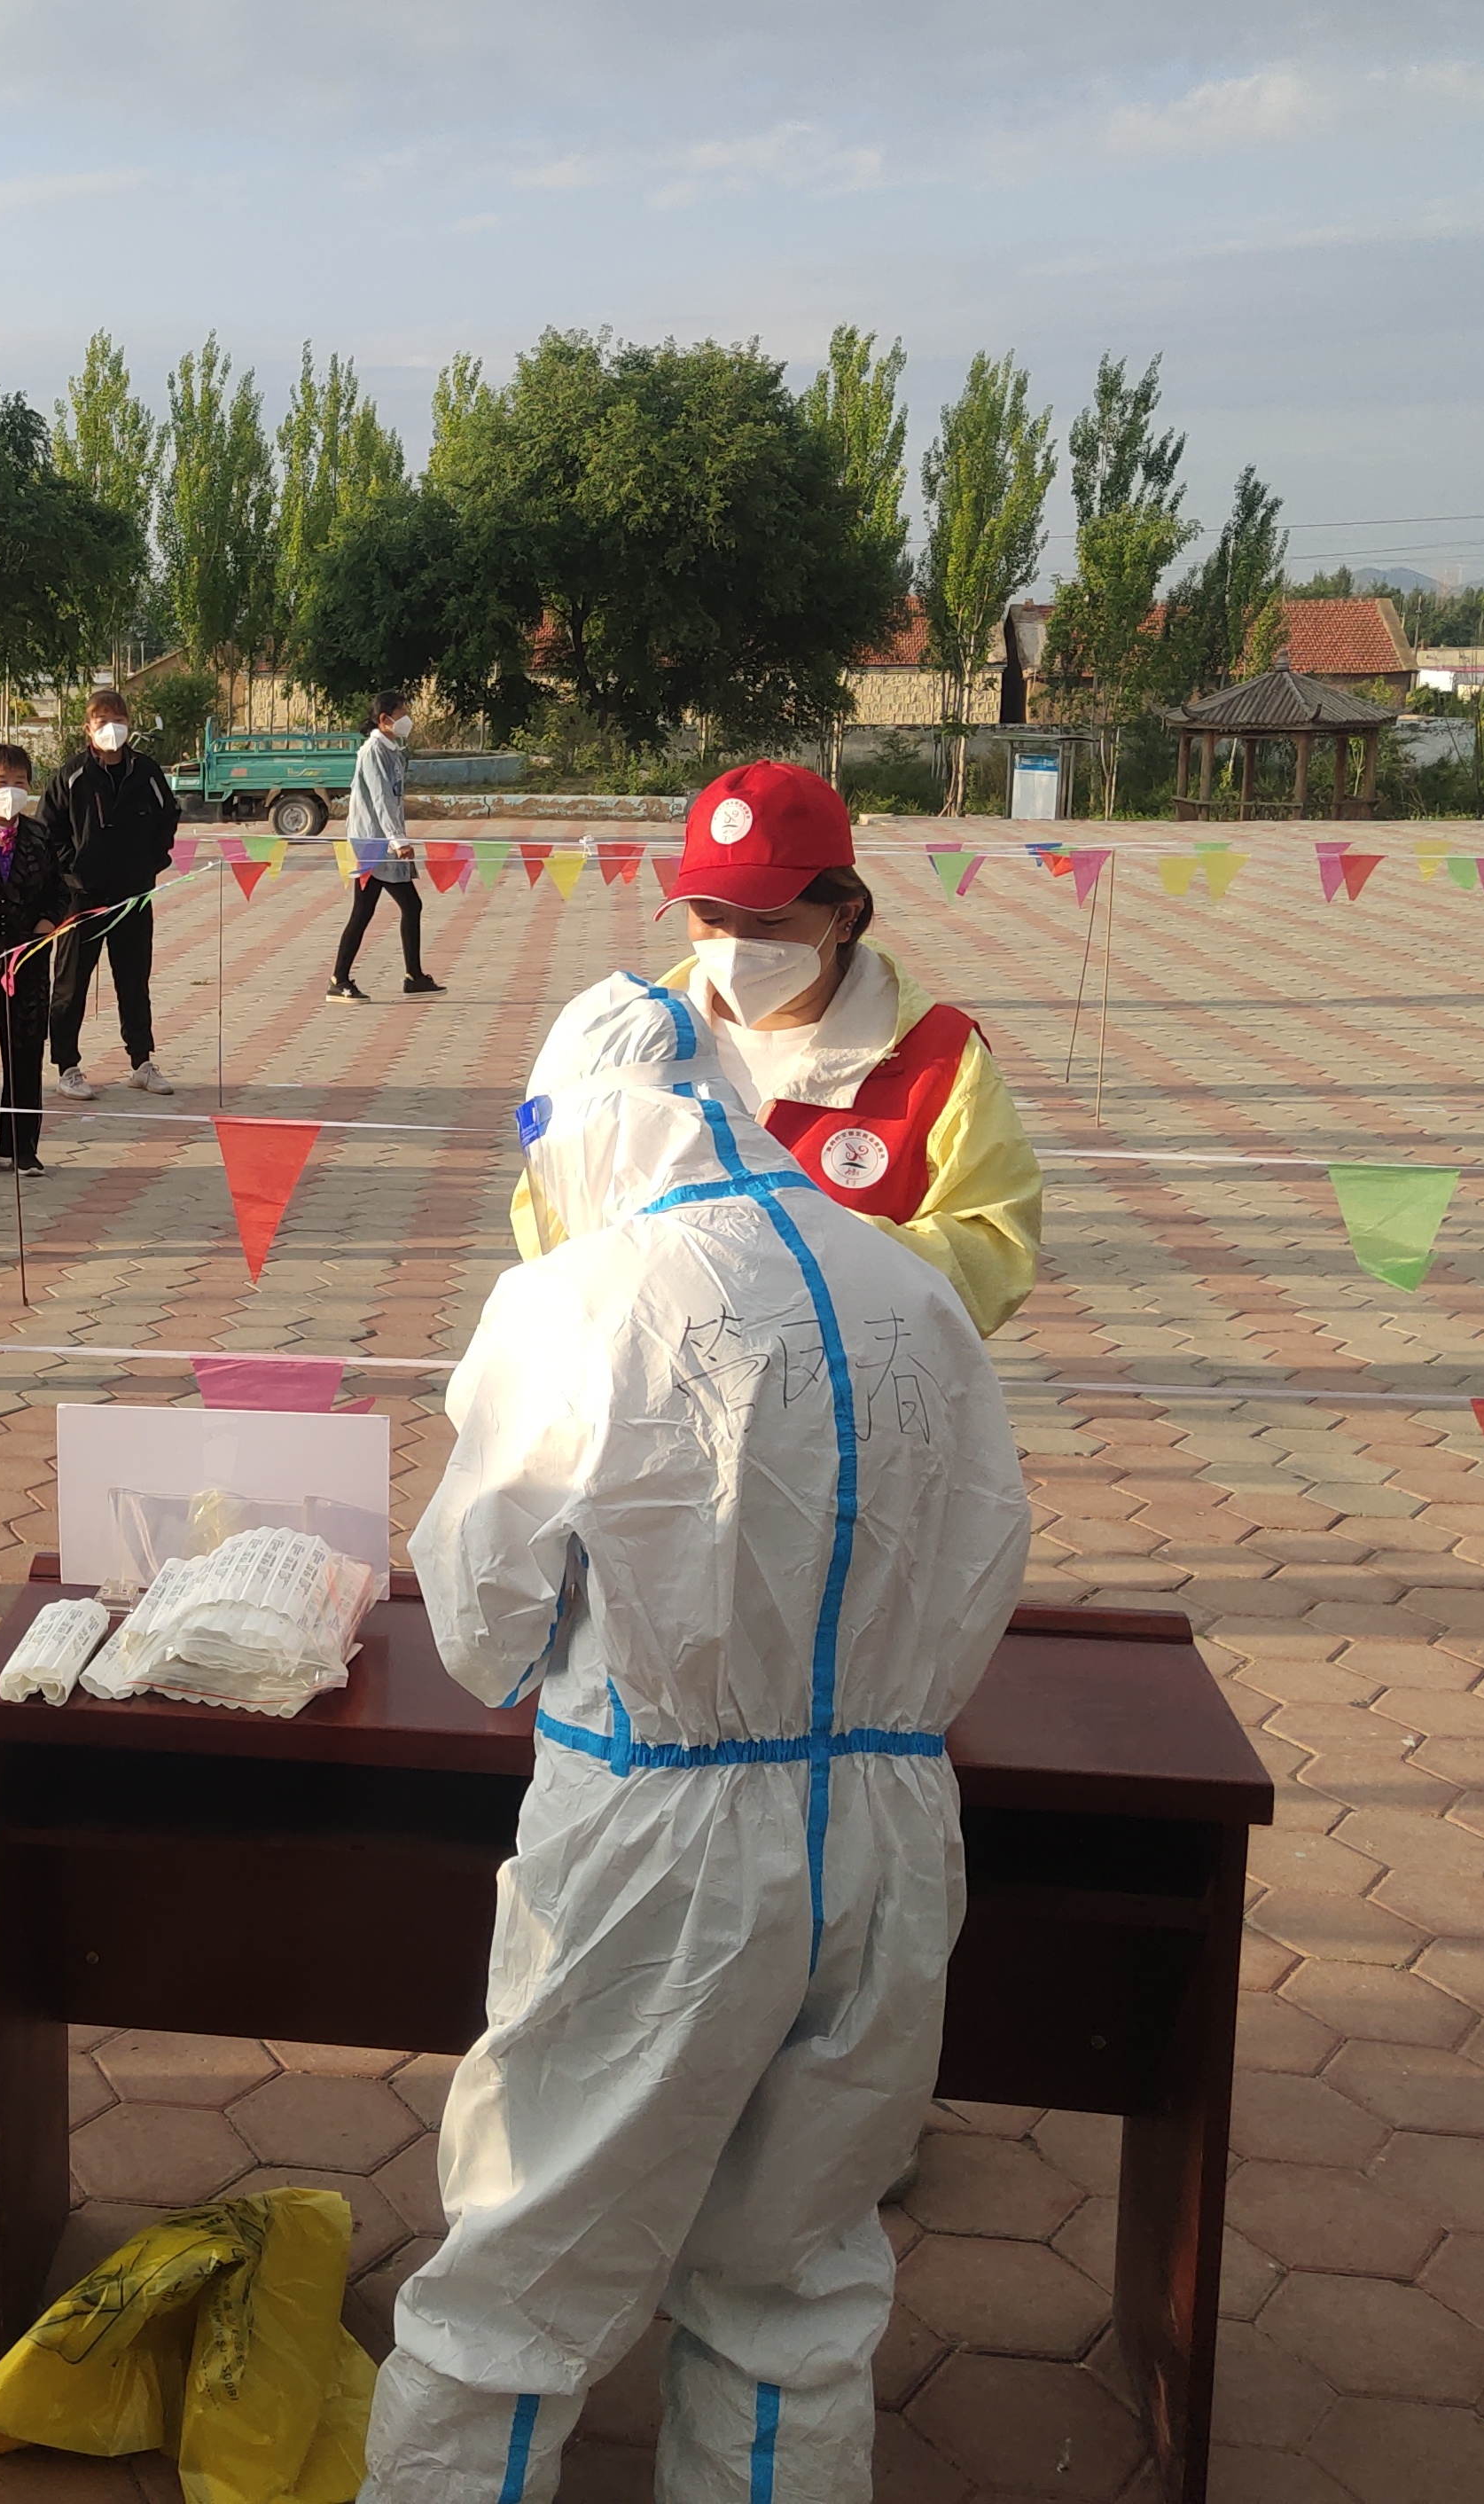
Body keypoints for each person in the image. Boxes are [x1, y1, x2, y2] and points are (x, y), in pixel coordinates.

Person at [365, 972, 1032, 2504]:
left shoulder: (577, 1300)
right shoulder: (907, 1284)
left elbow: (482, 1625)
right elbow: (984, 1548)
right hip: (889, 1831)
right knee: (798, 2270)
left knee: (526, 2253)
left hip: (654, 1839)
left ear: (581, 1127)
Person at [511, 761, 1042, 1336]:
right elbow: (550, 1211)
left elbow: (993, 1248)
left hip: (859, 1378)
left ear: (845, 917)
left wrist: (810, 1247)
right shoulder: (629, 1042)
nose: (735, 946)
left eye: (769, 923)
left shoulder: (935, 1056)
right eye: (710, 917)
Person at [43, 684, 181, 1099]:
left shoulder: (146, 772)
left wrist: (151, 862)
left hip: (133, 897)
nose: (111, 728)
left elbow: (168, 817)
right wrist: (72, 871)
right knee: (70, 985)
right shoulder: (71, 775)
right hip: (80, 899)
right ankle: (67, 1067)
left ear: (129, 725)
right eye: (102, 721)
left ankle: (141, 1062)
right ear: (88, 728)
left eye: (118, 720)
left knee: (134, 980)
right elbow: (49, 830)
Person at [0, 739, 71, 1175]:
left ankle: (23, 1148)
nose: (11, 791)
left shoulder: (39, 836)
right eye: (2, 781)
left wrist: (48, 921)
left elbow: (60, 891)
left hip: (28, 964)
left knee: (24, 1053)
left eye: (20, 782)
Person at [329, 690, 440, 1001]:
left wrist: (397, 837)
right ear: (384, 718)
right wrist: (397, 840)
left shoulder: (392, 750)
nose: (407, 719)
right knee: (369, 910)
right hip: (372, 843)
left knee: (401, 906)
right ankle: (340, 979)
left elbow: (393, 798)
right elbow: (380, 799)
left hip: (386, 841)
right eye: (402, 713)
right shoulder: (373, 751)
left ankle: (413, 976)